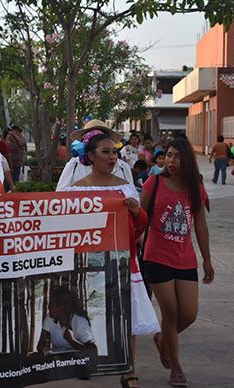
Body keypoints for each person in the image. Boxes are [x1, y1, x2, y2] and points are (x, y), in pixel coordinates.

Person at [58, 129, 160, 388]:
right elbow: (67, 230)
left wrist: (137, 214)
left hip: (123, 262)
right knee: (91, 318)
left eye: (114, 152)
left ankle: (130, 370)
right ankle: (89, 360)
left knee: (127, 316)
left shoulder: (125, 187)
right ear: (90, 156)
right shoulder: (75, 192)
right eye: (106, 152)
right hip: (89, 266)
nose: (113, 157)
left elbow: (137, 230)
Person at [141, 137, 214, 387]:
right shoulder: (154, 183)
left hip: (185, 258)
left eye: (177, 157)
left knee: (189, 314)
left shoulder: (195, 186)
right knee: (170, 312)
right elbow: (141, 219)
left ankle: (162, 340)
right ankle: (176, 366)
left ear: (188, 161)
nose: (171, 161)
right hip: (156, 256)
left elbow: (201, 226)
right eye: (169, 155)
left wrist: (207, 260)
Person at [57, 120, 133, 191]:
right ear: (90, 154)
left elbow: (131, 194)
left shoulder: (123, 167)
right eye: (105, 151)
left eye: (114, 152)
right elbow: (62, 197)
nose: (111, 157)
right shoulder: (74, 165)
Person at [36, 286, 96, 354]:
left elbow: (93, 353)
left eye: (50, 305)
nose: (48, 308)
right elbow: (40, 344)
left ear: (61, 307)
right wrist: (43, 348)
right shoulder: (49, 318)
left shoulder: (80, 322)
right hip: (58, 362)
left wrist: (71, 341)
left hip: (78, 362)